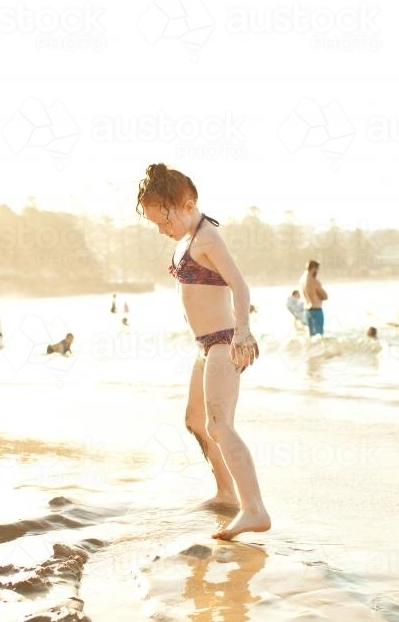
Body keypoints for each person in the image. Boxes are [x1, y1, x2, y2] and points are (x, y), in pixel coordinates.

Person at [137, 162, 269, 541]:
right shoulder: (187, 241)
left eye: (164, 220)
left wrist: (243, 331)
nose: (162, 230)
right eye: (156, 225)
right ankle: (227, 492)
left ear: (187, 202)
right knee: (195, 420)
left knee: (219, 423)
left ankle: (254, 508)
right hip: (205, 347)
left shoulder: (208, 237)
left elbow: (240, 286)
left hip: (225, 343)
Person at [299, 260, 328, 337]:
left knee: (311, 336)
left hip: (307, 311)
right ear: (313, 269)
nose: (317, 272)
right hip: (316, 310)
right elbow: (325, 296)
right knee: (319, 336)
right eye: (317, 269)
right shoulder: (314, 281)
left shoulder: (301, 280)